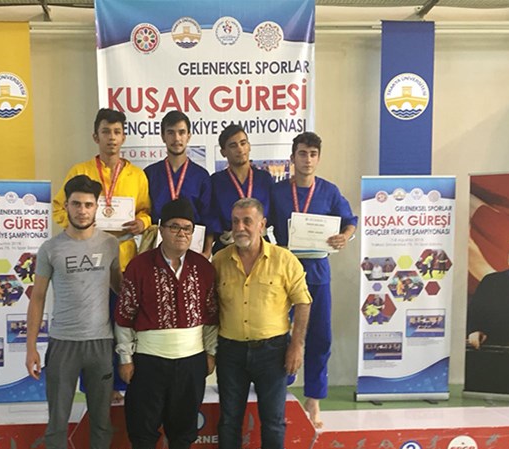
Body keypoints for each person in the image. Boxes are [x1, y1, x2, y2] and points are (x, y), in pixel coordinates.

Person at [113, 197, 218, 449]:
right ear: (161, 230)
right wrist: (125, 358)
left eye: (187, 229)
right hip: (148, 360)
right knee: (143, 425)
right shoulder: (139, 266)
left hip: (191, 360)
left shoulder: (203, 268)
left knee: (183, 426)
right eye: (174, 227)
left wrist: (210, 353)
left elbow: (211, 316)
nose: (181, 234)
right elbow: (124, 316)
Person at [26, 175, 121, 449]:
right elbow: (37, 297)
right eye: (77, 204)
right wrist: (31, 347)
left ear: (98, 207)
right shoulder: (50, 248)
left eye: (89, 204)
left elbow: (120, 289)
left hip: (101, 344)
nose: (82, 210)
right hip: (63, 344)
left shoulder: (110, 245)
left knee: (101, 419)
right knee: (57, 419)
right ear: (66, 206)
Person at [210, 198, 312, 449]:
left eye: (247, 221)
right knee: (229, 419)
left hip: (273, 352)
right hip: (230, 352)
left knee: (273, 421)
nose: (240, 227)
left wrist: (297, 345)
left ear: (262, 225)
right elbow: (211, 308)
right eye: (235, 221)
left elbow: (303, 302)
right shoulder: (219, 260)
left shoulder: (284, 260)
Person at [270, 132, 357, 429]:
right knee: (279, 336)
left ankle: (314, 398)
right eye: (302, 153)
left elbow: (350, 221)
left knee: (320, 336)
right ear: (292, 158)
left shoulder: (329, 191)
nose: (307, 159)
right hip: (283, 273)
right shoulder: (277, 192)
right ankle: (280, 392)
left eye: (313, 154)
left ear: (318, 158)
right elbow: (263, 224)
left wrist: (344, 237)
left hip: (317, 273)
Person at [52, 108, 151, 272]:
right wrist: (80, 225)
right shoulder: (80, 171)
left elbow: (145, 211)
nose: (111, 137)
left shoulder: (137, 175)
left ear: (123, 137)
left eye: (117, 132)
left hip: (124, 257)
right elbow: (58, 208)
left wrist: (142, 223)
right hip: (85, 255)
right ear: (96, 137)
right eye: (106, 132)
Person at [144, 110, 212, 256]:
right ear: (163, 136)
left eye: (181, 132)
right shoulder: (150, 174)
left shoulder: (201, 176)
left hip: (193, 246)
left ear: (189, 136)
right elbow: (145, 212)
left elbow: (208, 217)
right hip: (156, 246)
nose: (176, 138)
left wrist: (207, 251)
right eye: (171, 132)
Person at [208, 124, 274, 254]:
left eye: (243, 143)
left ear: (249, 146)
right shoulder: (216, 181)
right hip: (227, 245)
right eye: (233, 146)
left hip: (260, 245)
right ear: (223, 152)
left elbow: (274, 214)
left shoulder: (264, 178)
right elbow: (211, 218)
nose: (240, 149)